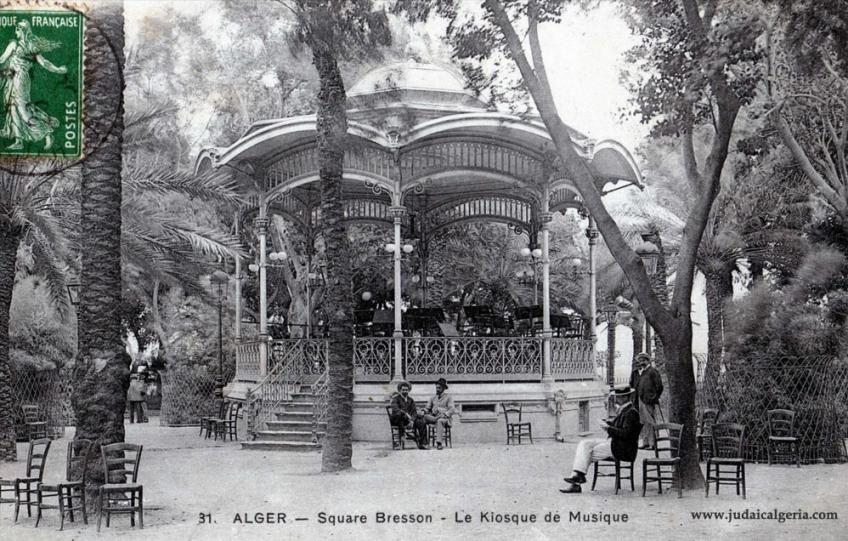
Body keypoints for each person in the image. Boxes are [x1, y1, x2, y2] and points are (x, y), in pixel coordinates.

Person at [559, 386, 641, 494]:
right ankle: (577, 477)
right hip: (615, 443)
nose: (616, 399)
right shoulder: (625, 410)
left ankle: (576, 481)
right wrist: (608, 423)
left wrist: (609, 428)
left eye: (619, 397)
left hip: (622, 448)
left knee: (587, 454)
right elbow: (620, 427)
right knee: (585, 443)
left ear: (625, 397)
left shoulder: (631, 413)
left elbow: (626, 434)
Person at [0, 20, 67, 150]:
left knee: (23, 112)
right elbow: (45, 63)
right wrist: (58, 70)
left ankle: (47, 132)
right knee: (12, 108)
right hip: (14, 78)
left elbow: (2, 59)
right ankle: (18, 141)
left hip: (20, 80)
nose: (16, 31)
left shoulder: (20, 45)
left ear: (23, 30)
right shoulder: (27, 46)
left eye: (17, 29)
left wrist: (58, 70)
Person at [634, 353, 664, 449]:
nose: (642, 362)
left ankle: (652, 443)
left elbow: (659, 386)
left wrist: (654, 397)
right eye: (640, 360)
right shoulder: (643, 372)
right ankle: (645, 442)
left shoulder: (653, 371)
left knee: (650, 421)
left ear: (648, 361)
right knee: (643, 421)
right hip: (641, 399)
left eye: (644, 360)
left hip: (649, 400)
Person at [389, 380, 428, 449]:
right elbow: (396, 410)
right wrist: (406, 414)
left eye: (406, 390)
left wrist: (412, 421)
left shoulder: (411, 400)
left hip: (409, 420)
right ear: (400, 390)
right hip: (398, 420)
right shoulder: (395, 399)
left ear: (409, 390)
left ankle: (422, 443)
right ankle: (399, 440)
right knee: (399, 415)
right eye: (403, 390)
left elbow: (414, 412)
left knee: (421, 421)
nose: (405, 391)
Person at [423, 378, 455, 450]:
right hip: (433, 417)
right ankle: (423, 442)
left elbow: (452, 409)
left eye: (439, 388)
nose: (437, 389)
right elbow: (427, 408)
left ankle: (439, 443)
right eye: (436, 388)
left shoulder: (448, 397)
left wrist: (445, 414)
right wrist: (423, 411)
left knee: (439, 421)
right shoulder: (433, 398)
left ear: (444, 388)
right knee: (423, 417)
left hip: (444, 419)